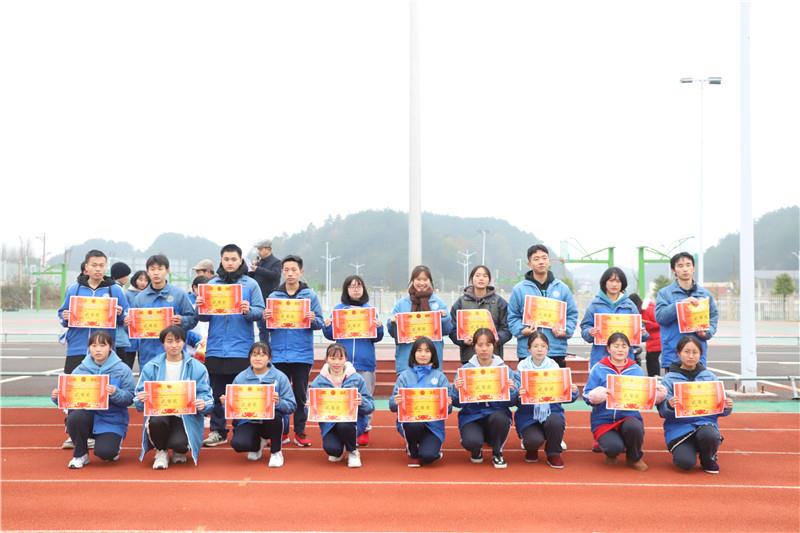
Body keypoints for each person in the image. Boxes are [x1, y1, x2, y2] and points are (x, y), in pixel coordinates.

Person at [197, 244, 265, 448]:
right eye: (226, 259)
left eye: (233, 259)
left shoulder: (250, 284)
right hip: (216, 347)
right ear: (221, 260)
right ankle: (218, 431)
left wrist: (248, 310)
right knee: (216, 391)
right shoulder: (211, 284)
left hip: (241, 348)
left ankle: (241, 427)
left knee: (240, 391)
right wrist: (200, 306)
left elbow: (260, 312)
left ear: (240, 260)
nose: (229, 263)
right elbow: (203, 317)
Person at [50, 331, 135, 469]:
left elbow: (130, 397)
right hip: (86, 416)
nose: (98, 349)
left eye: (102, 345)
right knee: (75, 416)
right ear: (89, 348)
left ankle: (114, 445)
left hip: (111, 420)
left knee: (106, 453)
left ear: (110, 347)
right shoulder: (80, 369)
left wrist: (115, 393)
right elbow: (69, 398)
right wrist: (57, 397)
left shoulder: (122, 369)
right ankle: (80, 454)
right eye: (94, 346)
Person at [583, 332, 666, 471]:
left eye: (624, 346)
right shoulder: (598, 368)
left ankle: (634, 458)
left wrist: (656, 393)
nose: (620, 349)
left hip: (629, 416)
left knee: (634, 427)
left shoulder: (636, 370)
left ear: (629, 348)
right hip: (604, 419)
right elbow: (586, 394)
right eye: (616, 346)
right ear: (608, 349)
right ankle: (611, 451)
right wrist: (595, 396)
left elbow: (644, 395)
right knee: (613, 447)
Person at [264, 255, 324, 447]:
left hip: (301, 355)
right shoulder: (274, 297)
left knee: (300, 395)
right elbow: (266, 327)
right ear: (282, 272)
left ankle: (300, 431)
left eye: (294, 270)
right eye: (287, 270)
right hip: (279, 354)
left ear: (301, 272)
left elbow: (320, 323)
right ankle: (281, 432)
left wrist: (313, 319)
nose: (290, 273)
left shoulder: (310, 296)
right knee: (279, 395)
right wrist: (266, 318)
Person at [134, 325, 213, 469]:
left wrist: (203, 403)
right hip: (160, 413)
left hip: (185, 416)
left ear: (184, 342)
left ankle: (179, 449)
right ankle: (161, 451)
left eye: (178, 341)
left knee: (179, 444)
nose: (174, 345)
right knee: (156, 421)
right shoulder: (151, 366)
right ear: (163, 343)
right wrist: (141, 399)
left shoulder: (197, 367)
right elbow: (138, 396)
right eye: (169, 341)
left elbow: (206, 394)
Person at [322, 275, 384, 446]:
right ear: (346, 290)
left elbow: (377, 337)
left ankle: (365, 428)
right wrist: (327, 326)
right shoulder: (339, 310)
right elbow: (331, 335)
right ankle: (340, 428)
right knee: (342, 397)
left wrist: (379, 327)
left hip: (365, 361)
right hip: (341, 364)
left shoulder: (370, 310)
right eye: (351, 286)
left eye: (358, 286)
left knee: (365, 397)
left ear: (363, 289)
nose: (355, 289)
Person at [657, 336, 734, 474]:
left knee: (709, 434)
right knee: (685, 463)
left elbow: (720, 409)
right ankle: (688, 449)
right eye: (686, 352)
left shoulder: (709, 377)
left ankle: (708, 458)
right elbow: (663, 412)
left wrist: (726, 406)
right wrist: (669, 405)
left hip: (705, 424)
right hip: (679, 428)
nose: (691, 356)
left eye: (695, 352)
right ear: (678, 353)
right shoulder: (669, 379)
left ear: (700, 354)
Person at [451, 328, 519, 469]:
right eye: (480, 345)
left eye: (488, 345)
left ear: (494, 346)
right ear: (474, 346)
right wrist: (456, 390)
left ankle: (497, 452)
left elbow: (513, 402)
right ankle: (476, 450)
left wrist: (512, 391)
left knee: (500, 418)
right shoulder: (465, 370)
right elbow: (457, 403)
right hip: (472, 416)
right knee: (472, 441)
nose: (484, 349)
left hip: (496, 414)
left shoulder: (504, 370)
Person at [222, 342, 296, 468]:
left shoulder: (280, 377)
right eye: (254, 354)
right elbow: (233, 408)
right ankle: (257, 444)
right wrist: (226, 403)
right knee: (239, 444)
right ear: (249, 357)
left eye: (262, 355)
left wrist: (278, 402)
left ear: (269, 358)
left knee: (276, 416)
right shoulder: (241, 378)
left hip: (272, 421)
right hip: (249, 421)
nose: (258, 358)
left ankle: (276, 452)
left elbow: (292, 405)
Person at [57, 250, 129, 375]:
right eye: (94, 265)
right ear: (86, 267)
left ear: (106, 267)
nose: (98, 269)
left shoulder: (115, 290)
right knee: (75, 384)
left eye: (101, 265)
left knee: (104, 385)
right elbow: (62, 313)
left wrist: (121, 314)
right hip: (77, 348)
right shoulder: (74, 289)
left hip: (105, 350)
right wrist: (65, 317)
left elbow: (126, 318)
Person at [507, 244, 578, 368]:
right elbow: (512, 316)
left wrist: (565, 330)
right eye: (536, 259)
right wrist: (522, 330)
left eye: (544, 258)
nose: (541, 262)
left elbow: (572, 314)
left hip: (555, 349)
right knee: (528, 381)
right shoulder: (519, 289)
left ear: (549, 261)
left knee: (555, 381)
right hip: (528, 350)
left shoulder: (562, 288)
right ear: (529, 264)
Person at [515, 332, 578, 468]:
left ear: (548, 349)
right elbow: (514, 398)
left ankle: (553, 453)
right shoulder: (521, 370)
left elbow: (567, 397)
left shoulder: (555, 369)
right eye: (535, 346)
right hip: (528, 415)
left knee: (555, 421)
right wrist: (518, 394)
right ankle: (531, 449)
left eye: (543, 346)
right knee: (533, 440)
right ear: (529, 349)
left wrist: (572, 392)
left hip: (551, 411)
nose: (539, 349)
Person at [308, 343, 374, 468]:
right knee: (332, 450)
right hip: (330, 424)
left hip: (353, 422)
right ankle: (341, 446)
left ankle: (352, 451)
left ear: (346, 359)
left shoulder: (356, 379)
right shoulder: (319, 381)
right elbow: (310, 411)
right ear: (326, 359)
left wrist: (361, 402)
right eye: (333, 358)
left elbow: (370, 406)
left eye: (340, 358)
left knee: (344, 424)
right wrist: (310, 406)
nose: (336, 362)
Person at [389, 336, 451, 467]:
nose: (423, 354)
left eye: (427, 351)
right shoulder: (404, 376)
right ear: (413, 353)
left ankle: (430, 449)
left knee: (428, 456)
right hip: (412, 423)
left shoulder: (440, 377)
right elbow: (392, 405)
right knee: (413, 425)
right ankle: (412, 450)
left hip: (433, 426)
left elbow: (448, 410)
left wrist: (448, 404)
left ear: (433, 355)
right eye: (419, 350)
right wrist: (396, 401)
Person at [127, 254, 198, 369]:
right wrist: (128, 323)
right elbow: (131, 329)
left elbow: (193, 319)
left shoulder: (179, 294)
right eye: (152, 269)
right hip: (148, 354)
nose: (156, 273)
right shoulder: (140, 298)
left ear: (167, 270)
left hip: (175, 353)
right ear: (148, 272)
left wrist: (182, 320)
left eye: (160, 269)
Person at [656, 252, 719, 372]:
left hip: (697, 354)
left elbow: (713, 318)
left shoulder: (705, 295)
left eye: (688, 265)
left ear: (693, 268)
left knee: (698, 384)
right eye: (680, 266)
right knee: (673, 384)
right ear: (674, 270)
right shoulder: (664, 293)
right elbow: (660, 317)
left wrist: (707, 332)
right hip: (673, 354)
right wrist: (681, 304)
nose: (685, 269)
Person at [387, 265, 453, 374]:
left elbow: (447, 330)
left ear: (430, 281)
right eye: (418, 279)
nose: (422, 283)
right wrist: (392, 323)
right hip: (406, 362)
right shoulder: (402, 304)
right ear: (412, 281)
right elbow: (392, 333)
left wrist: (445, 318)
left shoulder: (438, 303)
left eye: (425, 279)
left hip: (432, 363)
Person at [448, 265, 512, 363]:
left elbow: (507, 328)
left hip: (494, 357)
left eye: (485, 276)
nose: (481, 278)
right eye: (477, 275)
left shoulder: (499, 302)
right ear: (472, 278)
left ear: (489, 280)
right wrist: (463, 340)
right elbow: (452, 329)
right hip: (469, 356)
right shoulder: (461, 302)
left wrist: (496, 339)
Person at [579, 267, 641, 366]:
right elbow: (585, 328)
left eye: (618, 281)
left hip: (625, 360)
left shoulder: (630, 306)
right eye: (611, 281)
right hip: (601, 358)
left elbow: (641, 331)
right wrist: (590, 332)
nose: (614, 284)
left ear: (622, 284)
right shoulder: (595, 305)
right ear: (605, 283)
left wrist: (642, 333)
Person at [249, 239, 282, 344]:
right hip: (260, 300)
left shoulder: (276, 262)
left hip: (271, 300)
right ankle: (264, 348)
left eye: (260, 249)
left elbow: (275, 275)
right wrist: (252, 270)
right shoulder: (259, 263)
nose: (258, 251)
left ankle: (274, 349)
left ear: (268, 249)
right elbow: (252, 279)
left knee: (274, 328)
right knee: (262, 329)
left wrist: (258, 269)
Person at [123, 270, 150, 369]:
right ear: (135, 280)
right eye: (140, 279)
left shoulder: (149, 294)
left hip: (146, 333)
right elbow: (125, 310)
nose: (143, 283)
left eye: (146, 280)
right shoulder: (128, 294)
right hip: (131, 333)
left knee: (145, 364)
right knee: (128, 363)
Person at [110, 262, 135, 369]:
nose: (127, 278)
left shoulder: (111, 287)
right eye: (126, 275)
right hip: (118, 335)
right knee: (121, 365)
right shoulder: (117, 288)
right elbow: (124, 309)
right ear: (121, 275)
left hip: (113, 334)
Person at [637, 294, 662, 377]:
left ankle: (655, 379)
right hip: (652, 340)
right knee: (650, 361)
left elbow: (659, 323)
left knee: (652, 362)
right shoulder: (645, 309)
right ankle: (653, 378)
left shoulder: (649, 309)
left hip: (656, 340)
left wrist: (646, 324)